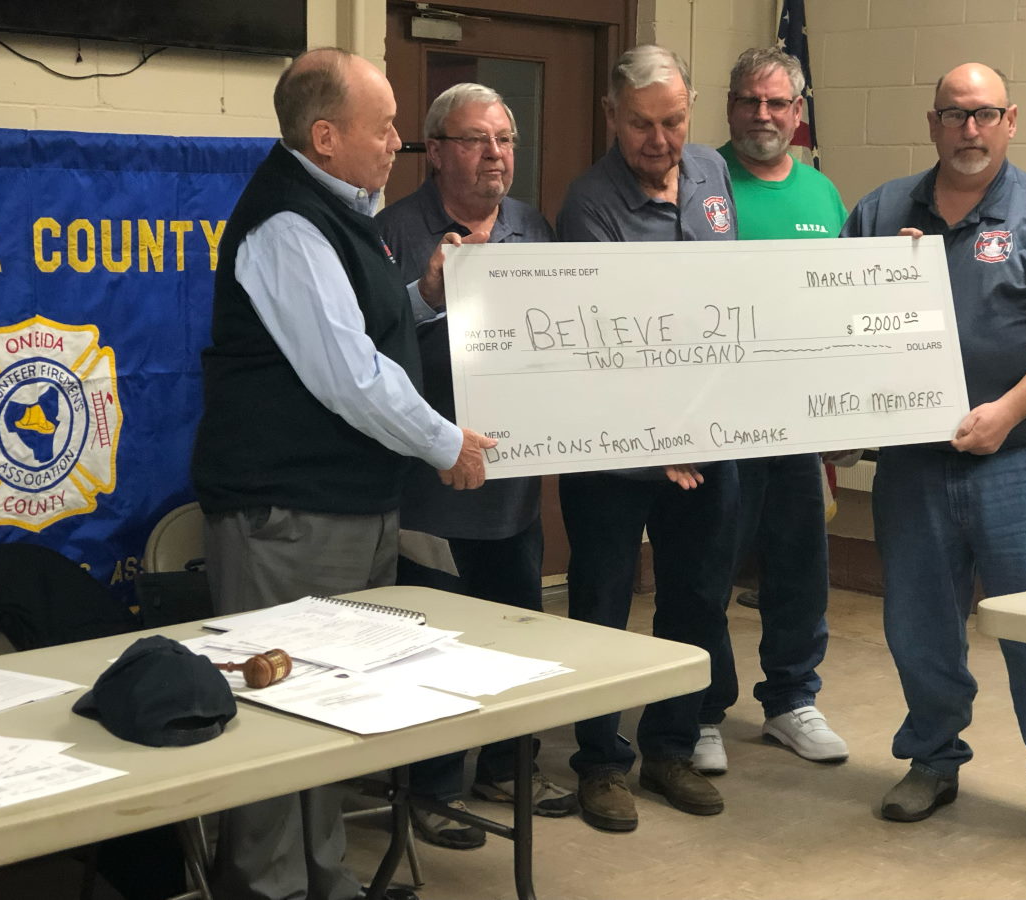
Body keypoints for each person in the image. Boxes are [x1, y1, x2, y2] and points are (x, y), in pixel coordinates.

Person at [190, 48, 495, 900]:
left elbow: (360, 326)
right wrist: (446, 444)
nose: (399, 142)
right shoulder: (287, 225)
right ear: (325, 137)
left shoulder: (339, 211)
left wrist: (423, 298)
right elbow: (348, 375)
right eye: (385, 127)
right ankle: (271, 889)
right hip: (287, 517)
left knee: (327, 715)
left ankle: (326, 881)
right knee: (276, 723)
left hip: (344, 507)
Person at [841, 62, 1026, 856]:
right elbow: (831, 321)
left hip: (1022, 462)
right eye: (955, 114)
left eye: (985, 114)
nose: (970, 129)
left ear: (1010, 121)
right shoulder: (881, 212)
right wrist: (880, 285)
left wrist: (1008, 412)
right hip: (913, 466)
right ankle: (932, 760)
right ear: (932, 123)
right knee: (919, 626)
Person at [375, 82, 578, 850]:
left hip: (513, 486)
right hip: (429, 486)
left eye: (505, 140)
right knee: (431, 641)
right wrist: (426, 291)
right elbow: (370, 352)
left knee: (513, 634)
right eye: (474, 140)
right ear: (436, 150)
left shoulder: (533, 227)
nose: (495, 154)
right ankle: (429, 788)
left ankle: (504, 767)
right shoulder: (394, 231)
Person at [555, 44, 739, 833]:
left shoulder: (712, 173)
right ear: (611, 117)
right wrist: (660, 435)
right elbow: (607, 339)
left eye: (672, 121)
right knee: (601, 603)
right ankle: (600, 763)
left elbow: (726, 302)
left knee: (696, 599)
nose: (659, 141)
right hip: (614, 451)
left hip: (706, 442)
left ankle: (671, 747)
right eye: (640, 125)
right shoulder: (588, 204)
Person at [693, 47, 850, 776]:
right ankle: (702, 710)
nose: (763, 115)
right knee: (708, 569)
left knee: (798, 565)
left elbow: (846, 305)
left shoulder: (823, 194)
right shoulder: (700, 181)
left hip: (799, 420)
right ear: (729, 106)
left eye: (777, 102)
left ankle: (791, 699)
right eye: (749, 101)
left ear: (797, 111)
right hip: (718, 418)